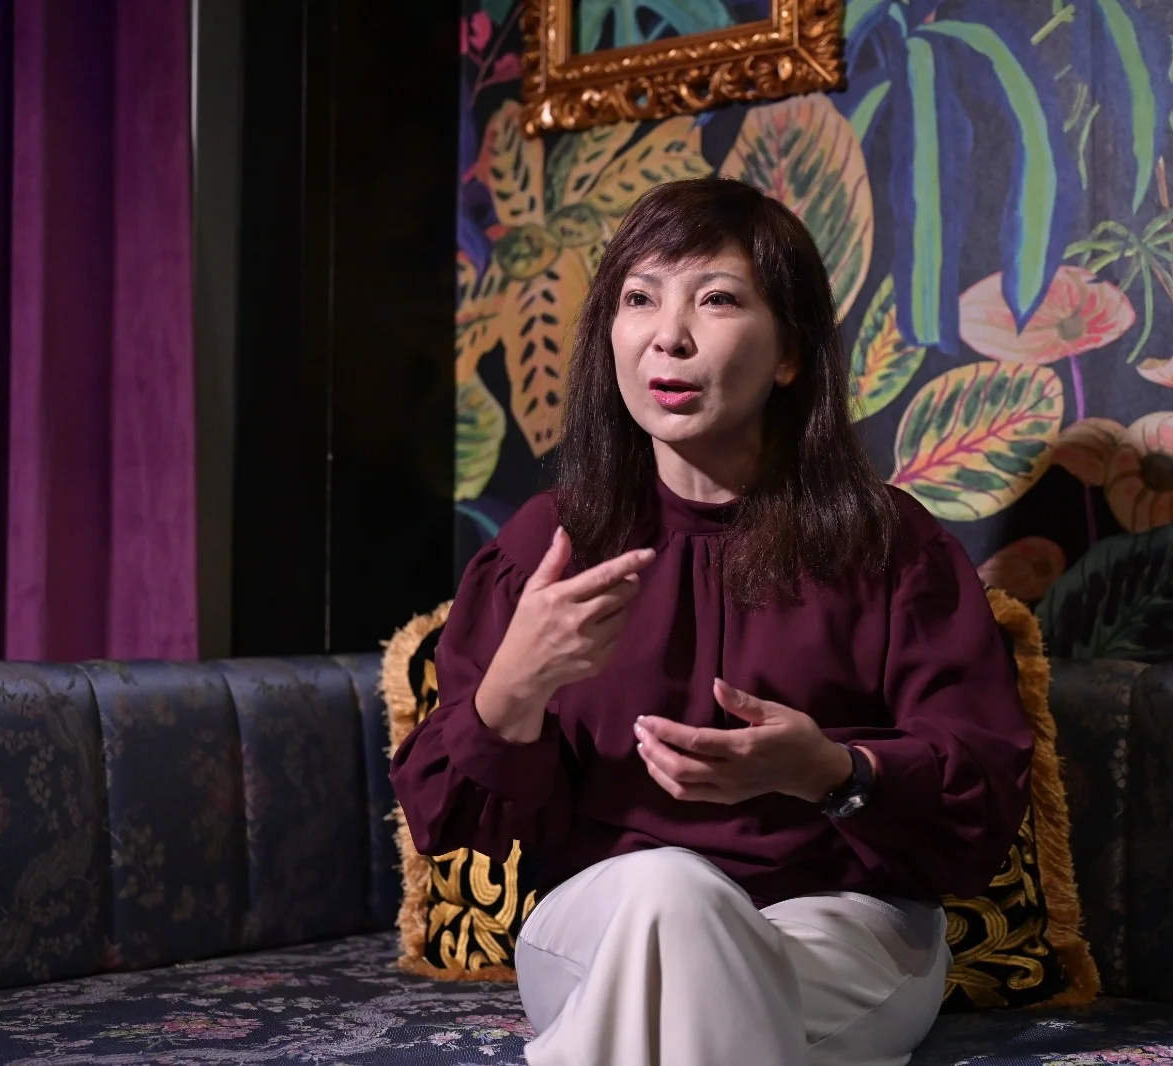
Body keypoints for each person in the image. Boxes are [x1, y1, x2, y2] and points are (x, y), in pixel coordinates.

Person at [391, 176, 1033, 1066]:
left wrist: (829, 772)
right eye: (639, 299)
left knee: (680, 968)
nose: (669, 335)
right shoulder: (547, 548)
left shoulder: (889, 546)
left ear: (789, 353)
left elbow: (983, 799)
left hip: (840, 927)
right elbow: (451, 822)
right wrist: (515, 684)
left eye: (718, 299)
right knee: (670, 896)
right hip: (601, 920)